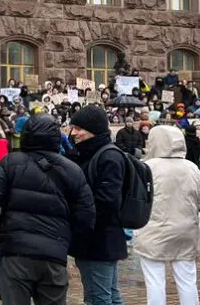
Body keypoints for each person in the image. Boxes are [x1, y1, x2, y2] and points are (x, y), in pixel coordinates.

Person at [0, 114, 96, 305]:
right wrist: (66, 243)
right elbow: (86, 216)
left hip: (16, 252)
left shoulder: (11, 163)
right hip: (53, 254)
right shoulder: (72, 170)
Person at [134, 126, 200, 305]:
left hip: (152, 232)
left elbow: (134, 200)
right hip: (185, 232)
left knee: (155, 283)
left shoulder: (146, 168)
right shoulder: (191, 168)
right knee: (187, 281)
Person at [68, 106, 128, 305]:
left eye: (78, 128)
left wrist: (79, 218)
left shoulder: (108, 156)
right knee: (109, 295)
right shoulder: (89, 153)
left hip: (98, 239)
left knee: (97, 298)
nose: (73, 133)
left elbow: (106, 201)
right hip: (98, 239)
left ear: (93, 129)